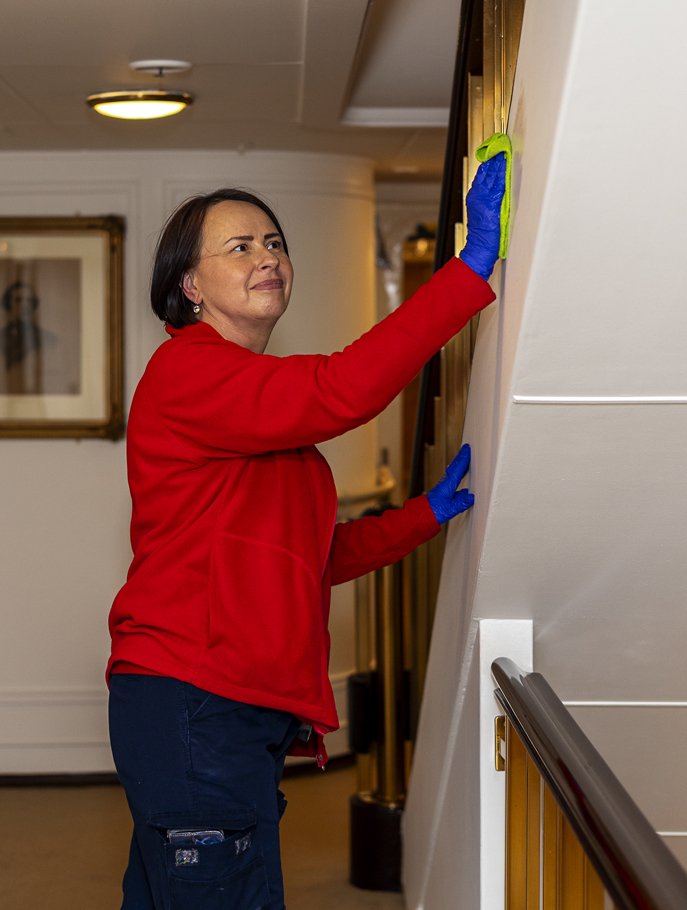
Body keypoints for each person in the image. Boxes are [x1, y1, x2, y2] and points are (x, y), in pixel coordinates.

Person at [107, 153, 508, 910]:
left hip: (219, 705)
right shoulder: (188, 371)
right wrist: (469, 269)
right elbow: (342, 389)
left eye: (275, 243)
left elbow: (310, 557)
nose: (267, 257)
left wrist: (421, 517)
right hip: (196, 697)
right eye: (240, 247)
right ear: (190, 286)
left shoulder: (252, 403)